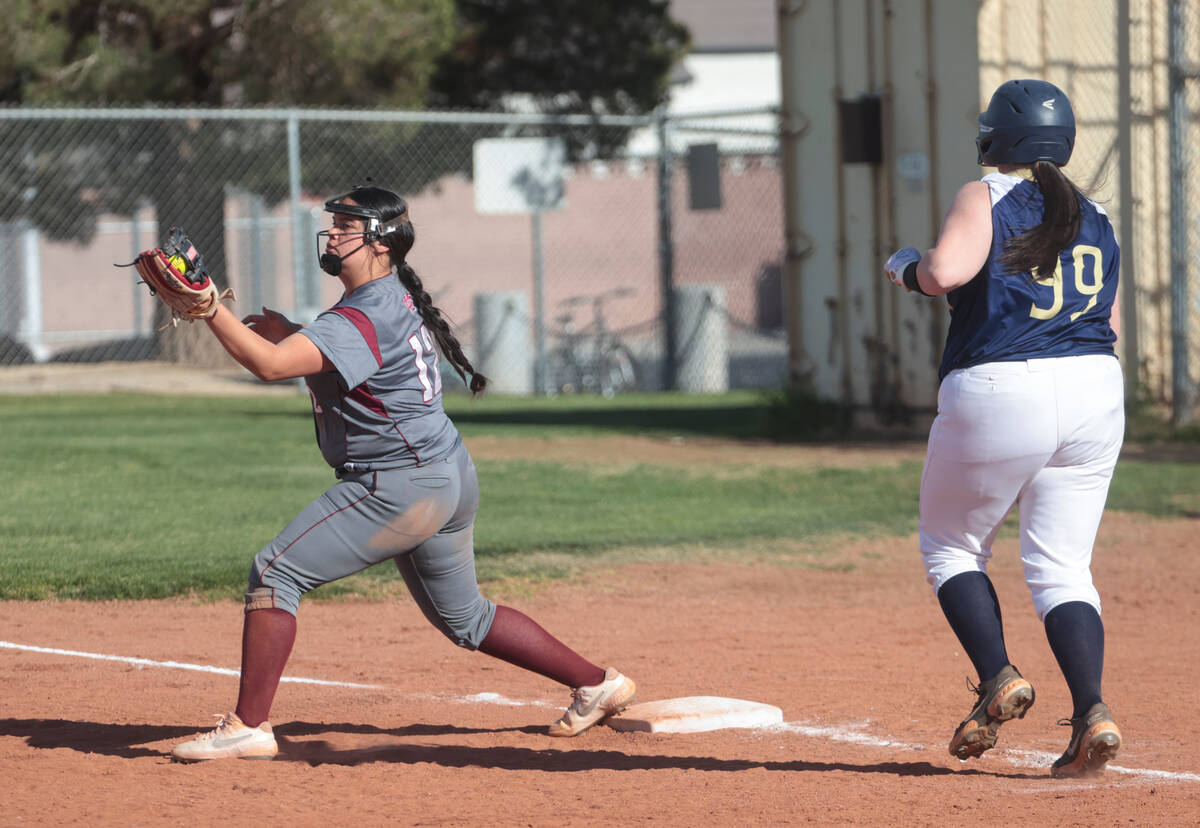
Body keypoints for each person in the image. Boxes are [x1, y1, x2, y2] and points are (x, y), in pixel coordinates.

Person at [170, 185, 636, 761]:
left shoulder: (361, 314)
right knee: (466, 618)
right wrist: (290, 328)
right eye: (334, 224)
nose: (334, 233)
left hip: (401, 485)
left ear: (382, 244)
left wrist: (211, 308)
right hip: (446, 471)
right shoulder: (388, 298)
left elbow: (270, 366)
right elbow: (344, 361)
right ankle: (597, 684)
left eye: (346, 226)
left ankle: (248, 726)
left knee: (275, 572)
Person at [883, 79, 1124, 778]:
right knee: (1062, 567)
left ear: (997, 140)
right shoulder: (1098, 212)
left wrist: (905, 268)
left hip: (1000, 384)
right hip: (1093, 388)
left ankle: (999, 677)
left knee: (951, 545)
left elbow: (946, 272)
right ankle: (1091, 713)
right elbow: (1109, 326)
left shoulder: (984, 193)